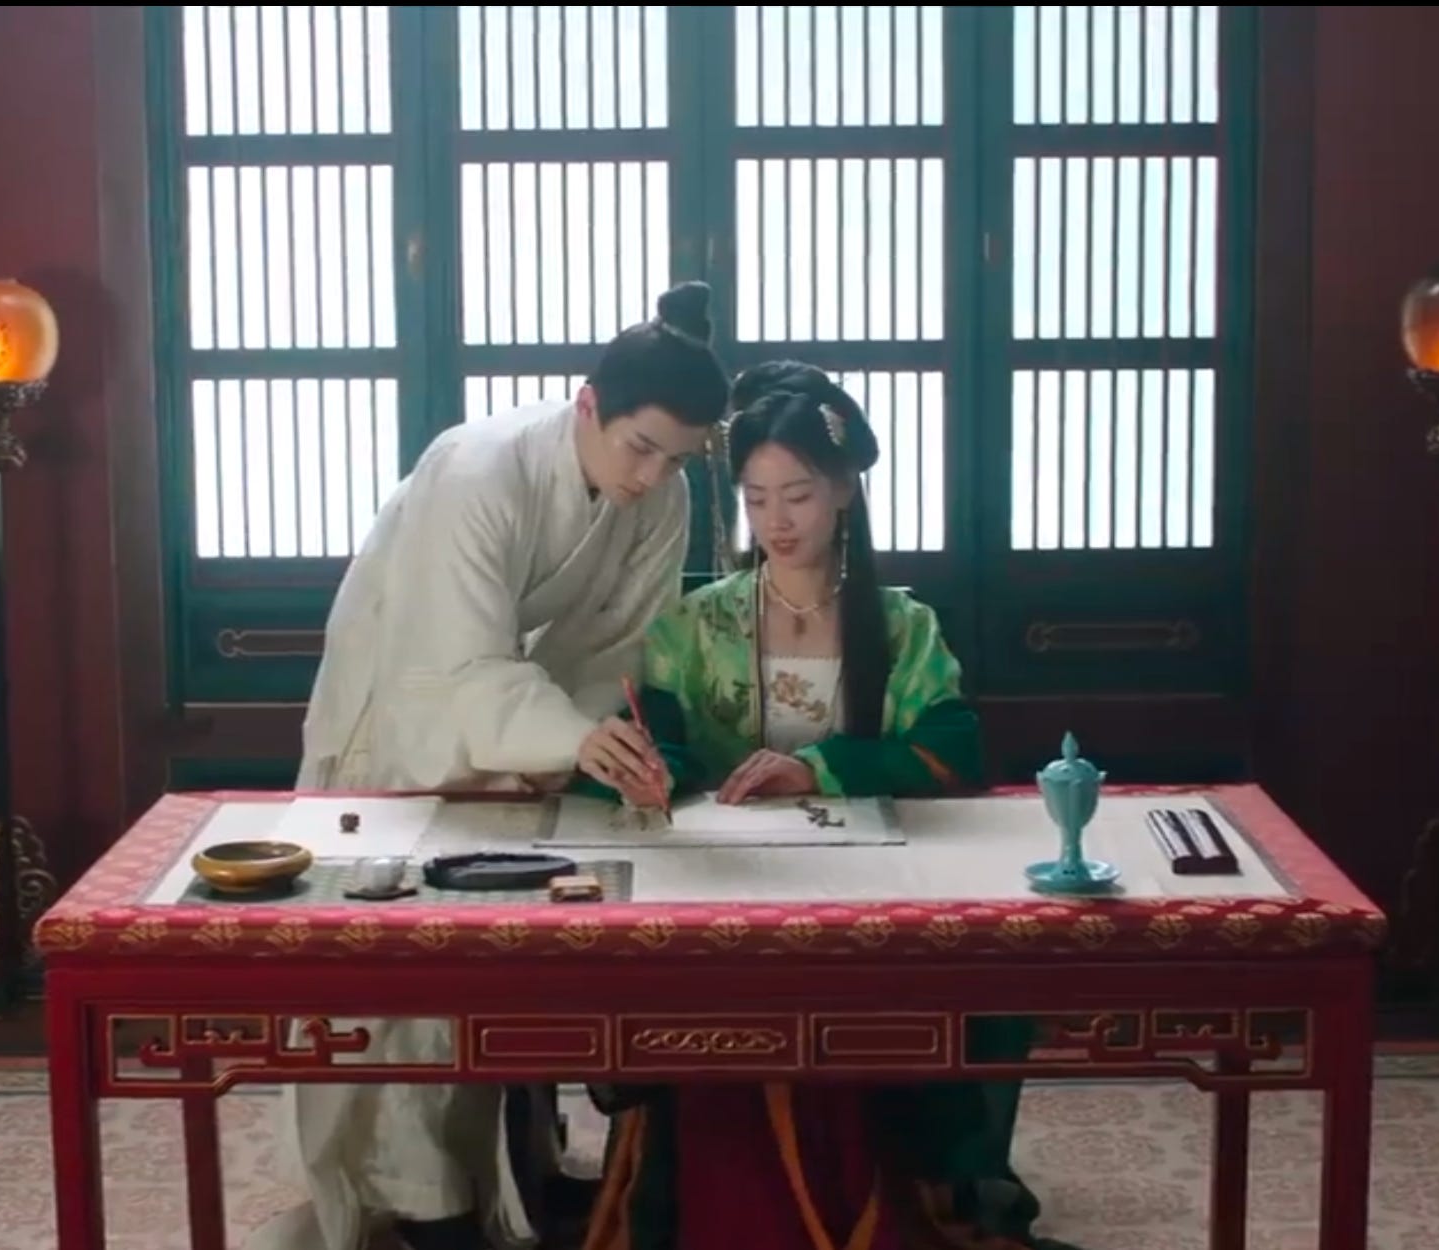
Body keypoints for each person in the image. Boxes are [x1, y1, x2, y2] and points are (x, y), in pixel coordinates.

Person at [274, 281, 729, 1250]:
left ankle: (520, 1176)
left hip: (519, 733)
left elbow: (617, 642)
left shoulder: (663, 493)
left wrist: (591, 738)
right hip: (406, 710)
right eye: (640, 446)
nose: (653, 474)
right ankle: (420, 1205)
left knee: (510, 962)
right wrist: (566, 735)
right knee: (405, 990)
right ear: (587, 405)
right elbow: (454, 662)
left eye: (677, 457)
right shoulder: (478, 469)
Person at [579, 361, 1056, 1250]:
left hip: (871, 888)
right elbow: (666, 738)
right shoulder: (698, 622)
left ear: (843, 490)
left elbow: (952, 752)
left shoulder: (902, 625)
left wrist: (821, 768)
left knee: (964, 971)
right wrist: (649, 767)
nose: (777, 521)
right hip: (729, 883)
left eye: (797, 495)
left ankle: (907, 1191)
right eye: (756, 499)